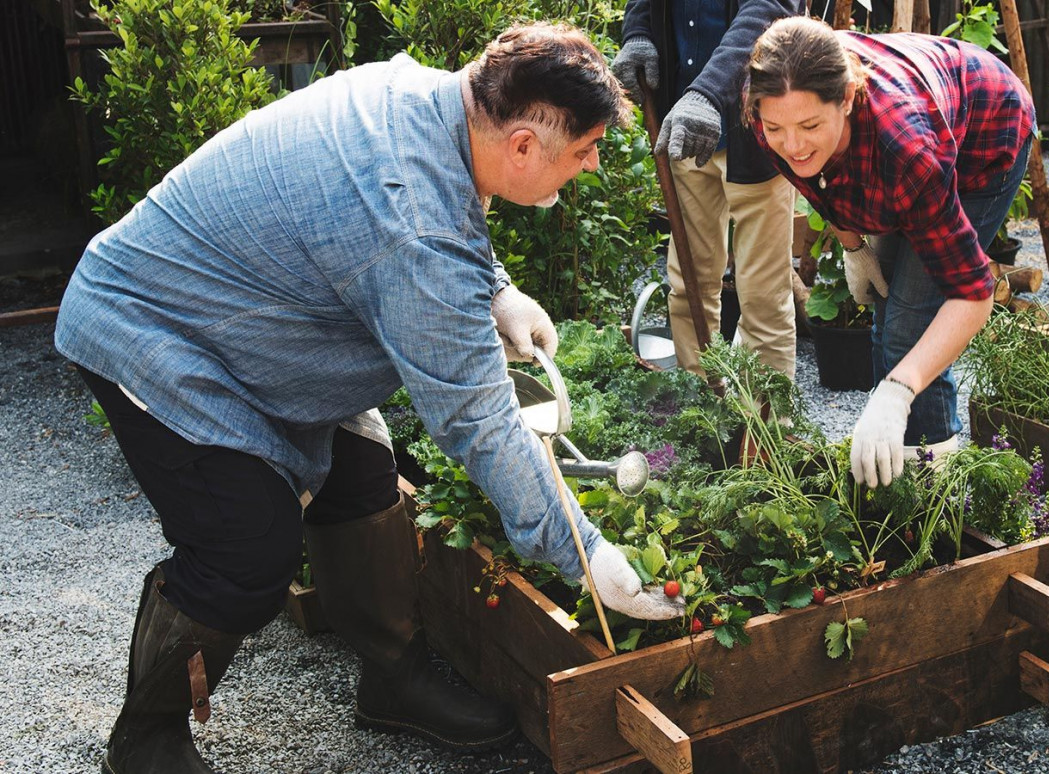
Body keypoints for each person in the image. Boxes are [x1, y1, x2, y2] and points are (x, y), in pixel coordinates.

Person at [55, 23, 684, 774]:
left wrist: (497, 290)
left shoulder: (425, 98)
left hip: (263, 319)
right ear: (522, 145)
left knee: (364, 475)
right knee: (246, 551)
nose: (585, 168)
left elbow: (442, 198)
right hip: (157, 328)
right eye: (582, 153)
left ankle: (394, 679)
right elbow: (477, 419)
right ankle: (146, 738)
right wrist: (586, 556)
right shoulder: (410, 228)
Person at [741, 15, 1034, 487]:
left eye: (810, 125)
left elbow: (973, 294)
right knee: (886, 315)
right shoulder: (769, 107)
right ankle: (890, 471)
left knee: (908, 334)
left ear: (848, 99)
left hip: (987, 131)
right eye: (777, 129)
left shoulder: (907, 153)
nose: (791, 145)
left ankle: (929, 488)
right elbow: (818, 183)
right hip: (920, 122)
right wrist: (854, 245)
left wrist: (898, 391)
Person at [612, 0, 801, 379]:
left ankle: (762, 427)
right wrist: (637, 30)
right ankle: (701, 411)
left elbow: (768, 10)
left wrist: (709, 93)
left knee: (763, 298)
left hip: (757, 130)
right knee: (688, 286)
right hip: (685, 128)